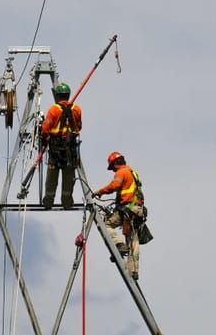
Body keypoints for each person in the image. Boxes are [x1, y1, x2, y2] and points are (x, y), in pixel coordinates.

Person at [92, 151, 149, 279]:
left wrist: (99, 192)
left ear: (115, 164)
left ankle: (118, 245)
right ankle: (133, 270)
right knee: (133, 240)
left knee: (105, 224)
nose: (112, 171)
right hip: (137, 210)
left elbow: (115, 185)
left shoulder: (121, 172)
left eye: (112, 167)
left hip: (128, 209)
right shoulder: (133, 173)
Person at [38, 81, 82, 209]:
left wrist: (44, 139)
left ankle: (49, 201)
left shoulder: (54, 110)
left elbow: (45, 128)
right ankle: (67, 202)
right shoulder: (77, 109)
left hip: (56, 149)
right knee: (69, 177)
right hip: (71, 149)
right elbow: (79, 126)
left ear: (57, 96)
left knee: (52, 176)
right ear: (68, 95)